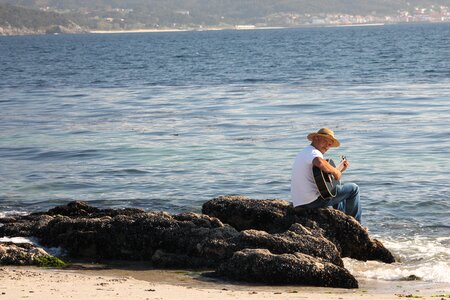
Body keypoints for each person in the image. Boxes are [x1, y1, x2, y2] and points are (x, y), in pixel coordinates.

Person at [290, 128, 362, 223]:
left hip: (300, 203)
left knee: (336, 187)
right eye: (326, 141)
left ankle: (343, 218)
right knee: (354, 189)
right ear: (316, 138)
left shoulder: (304, 152)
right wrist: (336, 172)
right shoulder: (313, 152)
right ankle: (356, 224)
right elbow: (320, 162)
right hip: (312, 202)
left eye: (330, 144)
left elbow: (322, 181)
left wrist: (340, 170)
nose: (327, 146)